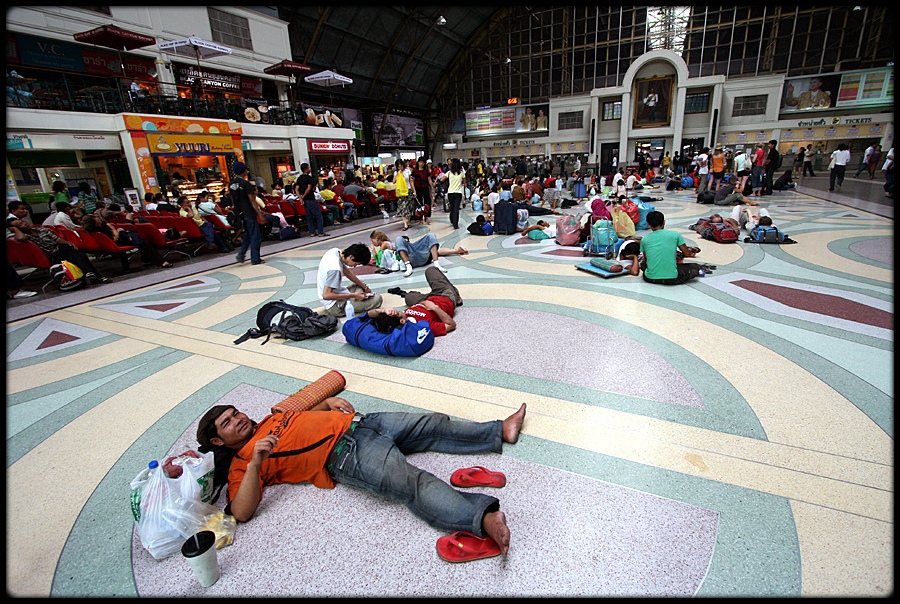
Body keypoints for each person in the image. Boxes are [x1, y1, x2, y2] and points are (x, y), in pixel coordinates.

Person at [195, 394, 527, 557]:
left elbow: (306, 418)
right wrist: (255, 463)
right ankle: (482, 518)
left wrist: (327, 402)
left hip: (364, 422)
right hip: (346, 455)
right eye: (227, 423)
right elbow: (240, 511)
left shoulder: (270, 420)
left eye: (235, 412)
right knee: (412, 482)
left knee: (433, 424)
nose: (237, 419)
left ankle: (498, 431)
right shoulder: (243, 462)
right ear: (216, 441)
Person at [6, 217, 111, 284]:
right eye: (19, 225)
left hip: (60, 248)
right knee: (75, 254)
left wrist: (67, 242)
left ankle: (90, 273)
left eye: (22, 222)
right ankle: (95, 276)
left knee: (75, 251)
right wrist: (15, 230)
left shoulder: (41, 229)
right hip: (50, 255)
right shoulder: (24, 237)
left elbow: (57, 239)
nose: (24, 224)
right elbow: (21, 238)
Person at [386, 265, 463, 336]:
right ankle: (456, 296)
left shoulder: (404, 316)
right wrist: (435, 308)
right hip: (445, 296)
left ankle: (432, 293)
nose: (393, 311)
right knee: (431, 270)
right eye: (395, 313)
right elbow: (452, 325)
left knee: (409, 297)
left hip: (427, 299)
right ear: (402, 321)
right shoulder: (424, 327)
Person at [317, 242, 383, 320]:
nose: (355, 266)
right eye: (356, 263)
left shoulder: (334, 252)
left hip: (338, 293)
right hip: (334, 305)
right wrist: (354, 295)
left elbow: (347, 272)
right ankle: (357, 301)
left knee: (359, 286)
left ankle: (358, 299)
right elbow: (326, 295)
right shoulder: (335, 269)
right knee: (377, 299)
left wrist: (365, 287)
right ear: (351, 257)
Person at [639, 211, 707, 285]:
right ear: (664, 222)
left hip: (650, 278)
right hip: (673, 279)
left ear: (649, 225)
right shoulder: (675, 235)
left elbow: (647, 259)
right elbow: (687, 253)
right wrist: (690, 253)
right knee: (694, 266)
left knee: (644, 264)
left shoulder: (644, 239)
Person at [229, 161, 266, 264]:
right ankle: (255, 258)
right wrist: (259, 213)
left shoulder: (231, 184)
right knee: (255, 235)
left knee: (248, 234)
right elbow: (252, 200)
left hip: (239, 213)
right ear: (243, 170)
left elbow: (233, 200)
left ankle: (241, 254)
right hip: (249, 212)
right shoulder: (246, 184)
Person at [394, 232, 468, 278]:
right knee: (398, 239)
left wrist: (456, 251)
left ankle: (437, 264)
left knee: (431, 235)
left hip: (420, 254)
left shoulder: (414, 246)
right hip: (409, 258)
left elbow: (438, 251)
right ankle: (408, 266)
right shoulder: (395, 249)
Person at [296, 163, 326, 238]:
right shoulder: (309, 178)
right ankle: (320, 232)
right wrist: (303, 196)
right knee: (318, 216)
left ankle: (312, 232)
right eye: (308, 167)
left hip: (305, 201)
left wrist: (300, 198)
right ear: (306, 168)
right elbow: (309, 188)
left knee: (309, 216)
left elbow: (296, 189)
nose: (309, 168)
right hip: (310, 199)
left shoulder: (299, 178)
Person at [394, 159, 415, 231]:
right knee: (403, 207)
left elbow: (411, 181)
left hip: (408, 190)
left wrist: (414, 191)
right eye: (398, 166)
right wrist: (397, 174)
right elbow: (394, 181)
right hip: (401, 192)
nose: (400, 167)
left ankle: (408, 222)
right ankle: (405, 224)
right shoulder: (396, 173)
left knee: (409, 206)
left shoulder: (407, 171)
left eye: (401, 165)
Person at [446, 158, 465, 230]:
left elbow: (442, 179)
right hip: (458, 193)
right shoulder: (462, 173)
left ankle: (452, 220)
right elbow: (464, 182)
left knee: (452, 207)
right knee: (456, 208)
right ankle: (455, 224)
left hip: (450, 192)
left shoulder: (449, 173)